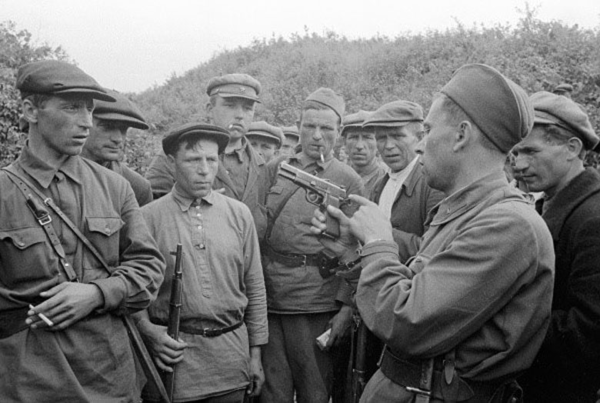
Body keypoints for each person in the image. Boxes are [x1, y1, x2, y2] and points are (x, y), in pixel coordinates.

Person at [311, 64, 555, 403]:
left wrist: (379, 242)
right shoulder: (463, 211)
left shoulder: (508, 225)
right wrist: (352, 254)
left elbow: (406, 322)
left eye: (426, 130)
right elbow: (411, 288)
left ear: (461, 135)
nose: (421, 145)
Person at [0, 60, 165, 402]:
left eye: (90, 110)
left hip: (110, 379)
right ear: (31, 110)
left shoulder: (115, 188)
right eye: (72, 108)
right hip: (28, 384)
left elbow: (148, 269)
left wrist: (96, 294)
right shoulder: (4, 192)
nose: (86, 122)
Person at [136, 123, 268, 403]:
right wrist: (148, 332)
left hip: (231, 360)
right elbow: (133, 293)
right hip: (175, 363)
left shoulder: (239, 214)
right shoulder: (147, 218)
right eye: (193, 160)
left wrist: (255, 355)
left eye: (211, 159)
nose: (205, 169)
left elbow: (255, 286)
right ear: (172, 163)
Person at [259, 88, 364, 403]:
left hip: (318, 301)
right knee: (272, 393)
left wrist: (347, 308)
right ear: (298, 125)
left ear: (339, 132)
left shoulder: (348, 180)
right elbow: (255, 231)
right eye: (309, 126)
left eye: (327, 129)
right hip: (271, 299)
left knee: (315, 392)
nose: (317, 136)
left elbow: (357, 249)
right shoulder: (273, 170)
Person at [512, 91, 600, 402]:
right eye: (515, 153)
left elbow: (588, 332)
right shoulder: (549, 205)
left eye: (531, 152)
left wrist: (503, 321)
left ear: (572, 148)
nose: (519, 165)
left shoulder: (593, 219)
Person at [363, 100, 444, 261]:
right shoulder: (379, 186)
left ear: (420, 137)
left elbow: (434, 249)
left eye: (398, 136)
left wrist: (381, 233)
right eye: (381, 138)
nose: (388, 146)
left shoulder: (434, 184)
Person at [81, 89, 153, 206]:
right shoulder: (55, 172)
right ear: (84, 123)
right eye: (108, 127)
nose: (118, 138)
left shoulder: (137, 187)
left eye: (124, 129)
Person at [341, 110, 386, 196]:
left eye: (367, 137)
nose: (359, 146)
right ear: (344, 143)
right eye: (353, 137)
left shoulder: (387, 180)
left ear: (378, 142)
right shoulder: (337, 177)